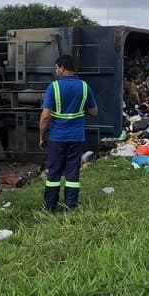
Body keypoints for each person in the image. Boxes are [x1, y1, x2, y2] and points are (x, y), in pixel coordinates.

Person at [39, 55, 98, 212]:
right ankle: (71, 205)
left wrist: (41, 137)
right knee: (73, 171)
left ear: (62, 68)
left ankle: (50, 206)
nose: (56, 70)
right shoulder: (85, 87)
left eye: (56, 67)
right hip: (77, 137)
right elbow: (94, 111)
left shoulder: (54, 87)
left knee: (54, 172)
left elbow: (45, 117)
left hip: (57, 138)